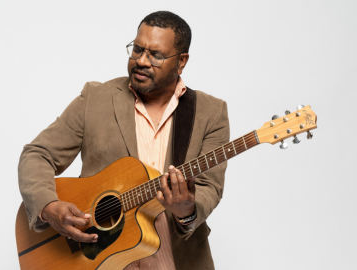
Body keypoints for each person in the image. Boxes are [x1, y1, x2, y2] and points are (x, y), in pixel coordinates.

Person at [18, 11, 229, 270]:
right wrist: (48, 205)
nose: (141, 61)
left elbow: (210, 186)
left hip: (176, 260)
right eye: (137, 49)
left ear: (182, 61)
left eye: (156, 55)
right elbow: (38, 154)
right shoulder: (95, 98)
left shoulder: (210, 112)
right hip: (99, 259)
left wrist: (187, 210)